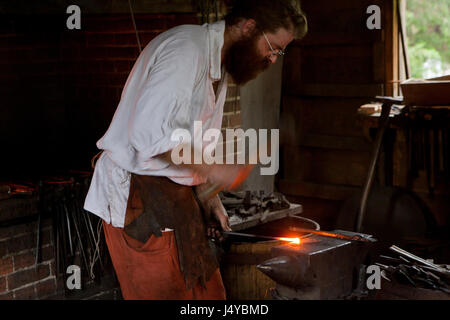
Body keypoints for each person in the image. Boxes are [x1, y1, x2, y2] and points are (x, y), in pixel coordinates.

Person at [83, 0, 307, 300]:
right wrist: (214, 169)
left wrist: (211, 199)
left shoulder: (219, 64)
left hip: (176, 198)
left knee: (210, 296)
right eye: (274, 47)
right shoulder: (187, 51)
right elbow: (148, 135)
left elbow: (187, 140)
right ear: (249, 27)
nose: (273, 58)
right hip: (138, 201)